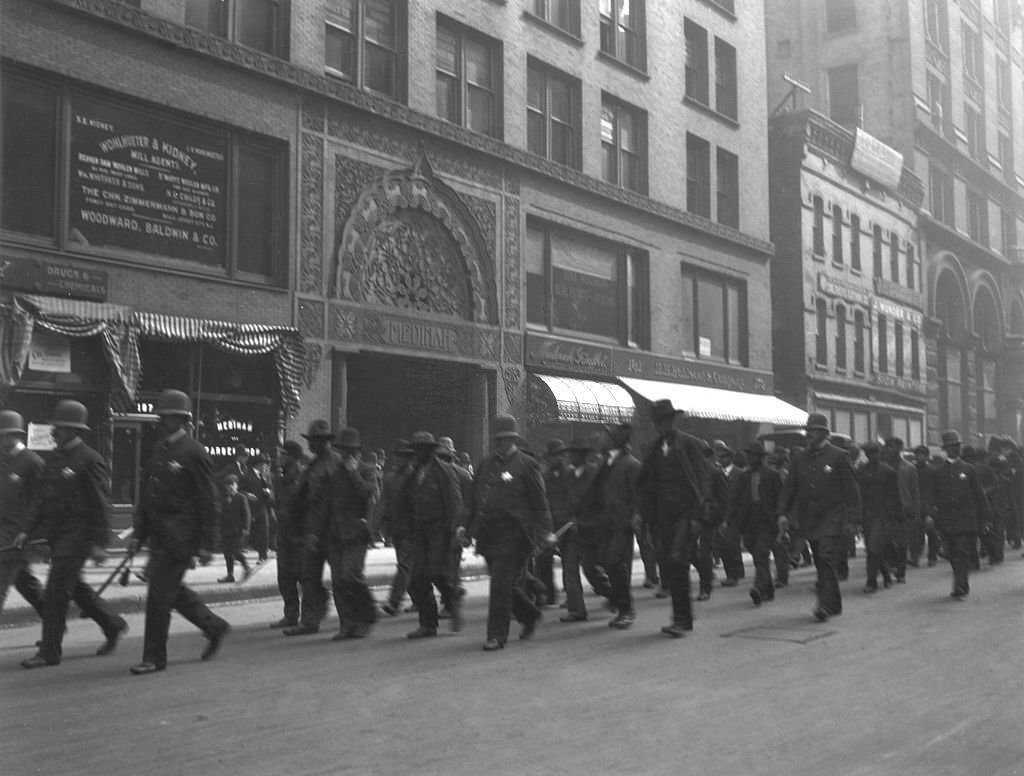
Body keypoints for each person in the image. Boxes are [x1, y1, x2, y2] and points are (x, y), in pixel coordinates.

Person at [126, 390, 230, 674]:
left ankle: (154, 658)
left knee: (159, 597)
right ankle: (214, 626)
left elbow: (208, 501)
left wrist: (207, 544)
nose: (162, 421)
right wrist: (139, 534)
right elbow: (149, 498)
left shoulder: (194, 453)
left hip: (182, 538)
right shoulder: (160, 451)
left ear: (182, 419)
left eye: (169, 417)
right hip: (160, 537)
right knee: (170, 591)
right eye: (162, 416)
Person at [20, 401, 127, 669]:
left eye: (61, 428)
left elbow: (101, 505)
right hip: (58, 536)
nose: (55, 432)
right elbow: (42, 502)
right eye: (56, 427)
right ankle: (112, 624)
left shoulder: (90, 460)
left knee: (56, 592)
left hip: (78, 538)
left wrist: (101, 544)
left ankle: (49, 652)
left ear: (75, 430)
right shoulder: (54, 459)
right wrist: (29, 531)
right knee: (76, 589)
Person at [466, 415, 555, 651]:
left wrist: (545, 531)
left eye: (506, 439)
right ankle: (529, 615)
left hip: (515, 534)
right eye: (498, 440)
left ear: (514, 439)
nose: (501, 444)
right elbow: (474, 498)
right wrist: (463, 526)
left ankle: (496, 635)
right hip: (488, 534)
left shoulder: (526, 465)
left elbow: (539, 501)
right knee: (505, 584)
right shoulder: (486, 465)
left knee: (500, 585)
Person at [777, 413, 860, 622]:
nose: (809, 435)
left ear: (824, 433)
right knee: (822, 562)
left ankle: (824, 604)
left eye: (814, 431)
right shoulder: (799, 459)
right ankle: (833, 603)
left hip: (833, 516)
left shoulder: (839, 457)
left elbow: (851, 490)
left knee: (825, 556)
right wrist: (783, 513)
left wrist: (852, 520)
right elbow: (789, 488)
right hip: (810, 519)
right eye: (808, 431)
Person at [638, 399, 710, 638]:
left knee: (678, 561)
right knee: (669, 564)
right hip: (662, 516)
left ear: (673, 421)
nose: (662, 426)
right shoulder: (653, 449)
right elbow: (646, 485)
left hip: (685, 513)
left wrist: (699, 516)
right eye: (659, 422)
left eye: (666, 421)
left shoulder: (689, 444)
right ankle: (681, 617)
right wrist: (644, 516)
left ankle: (682, 619)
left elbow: (702, 481)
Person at [307, 426, 379, 640]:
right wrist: (315, 532)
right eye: (344, 450)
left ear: (358, 451)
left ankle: (366, 616)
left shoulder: (367, 469)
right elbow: (325, 505)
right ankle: (347, 623)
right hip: (335, 532)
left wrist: (353, 471)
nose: (347, 454)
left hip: (357, 532)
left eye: (351, 450)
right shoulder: (335, 473)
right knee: (339, 581)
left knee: (351, 576)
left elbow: (367, 493)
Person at [404, 431, 463, 639]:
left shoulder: (443, 471)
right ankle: (428, 624)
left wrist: (455, 531)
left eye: (422, 450)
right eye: (416, 450)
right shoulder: (414, 473)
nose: (418, 454)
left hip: (440, 531)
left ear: (430, 451)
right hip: (421, 532)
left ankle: (451, 601)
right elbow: (408, 502)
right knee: (417, 579)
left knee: (437, 574)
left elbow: (454, 503)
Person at [585, 423, 641, 629]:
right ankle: (617, 599)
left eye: (605, 435)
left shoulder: (631, 465)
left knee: (616, 562)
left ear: (615, 441)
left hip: (622, 524)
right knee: (603, 562)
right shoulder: (606, 464)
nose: (600, 438)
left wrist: (636, 517)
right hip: (604, 523)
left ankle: (626, 610)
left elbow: (639, 496)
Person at [283, 420, 335, 637]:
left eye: (313, 441)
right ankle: (310, 621)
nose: (310, 445)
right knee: (309, 576)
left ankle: (352, 620)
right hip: (312, 530)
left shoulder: (334, 464)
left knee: (343, 578)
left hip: (332, 530)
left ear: (323, 442)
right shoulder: (313, 466)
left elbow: (337, 499)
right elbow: (301, 497)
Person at [926, 431, 991, 600]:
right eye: (950, 447)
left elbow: (979, 495)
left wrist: (985, 517)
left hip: (965, 520)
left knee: (962, 552)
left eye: (956, 446)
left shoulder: (969, 470)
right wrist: (930, 514)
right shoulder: (938, 471)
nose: (954, 449)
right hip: (946, 520)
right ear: (945, 449)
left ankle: (960, 586)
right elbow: (932, 495)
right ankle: (961, 581)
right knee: (952, 553)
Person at [557, 437, 612, 623]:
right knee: (569, 569)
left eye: (574, 454)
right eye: (569, 453)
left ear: (583, 455)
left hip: (592, 530)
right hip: (572, 531)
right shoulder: (568, 475)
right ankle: (577, 610)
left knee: (591, 569)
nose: (570, 457)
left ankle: (613, 595)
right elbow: (564, 502)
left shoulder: (595, 473)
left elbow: (603, 502)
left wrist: (589, 521)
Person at [0, 410, 45, 617]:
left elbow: (39, 501)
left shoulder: (32, 462)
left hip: (17, 535)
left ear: (14, 436)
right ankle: (54, 622)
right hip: (3, 532)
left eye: (3, 435)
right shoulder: (3, 460)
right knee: (26, 584)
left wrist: (27, 531)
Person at [728, 441, 783, 606]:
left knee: (761, 555)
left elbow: (780, 498)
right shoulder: (743, 477)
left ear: (760, 458)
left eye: (753, 455)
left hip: (766, 521)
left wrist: (781, 517)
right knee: (755, 552)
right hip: (749, 521)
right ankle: (768, 588)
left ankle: (758, 588)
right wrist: (730, 519)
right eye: (749, 455)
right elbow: (735, 500)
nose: (750, 458)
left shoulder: (772, 475)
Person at [271, 440, 307, 628]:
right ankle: (291, 614)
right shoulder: (279, 479)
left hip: (300, 535)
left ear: (293, 458)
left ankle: (310, 615)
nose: (280, 458)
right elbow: (278, 503)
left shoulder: (302, 477)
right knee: (285, 578)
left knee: (303, 576)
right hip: (285, 534)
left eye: (283, 455)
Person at [857, 442, 900, 593]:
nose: (873, 455)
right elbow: (858, 495)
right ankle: (886, 573)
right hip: (868, 515)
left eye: (875, 452)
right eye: (870, 453)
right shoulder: (862, 471)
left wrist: (896, 518)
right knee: (873, 548)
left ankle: (871, 581)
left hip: (884, 515)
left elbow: (895, 496)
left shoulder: (888, 471)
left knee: (875, 548)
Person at [379, 439, 416, 617]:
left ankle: (394, 601)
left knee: (404, 566)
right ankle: (418, 600)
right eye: (397, 456)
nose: (398, 460)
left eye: (402, 457)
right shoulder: (390, 478)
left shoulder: (416, 477)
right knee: (411, 567)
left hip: (412, 528)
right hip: (397, 528)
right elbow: (384, 503)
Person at [883, 437, 919, 583]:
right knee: (887, 541)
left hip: (904, 508)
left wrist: (915, 511)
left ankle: (901, 571)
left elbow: (915, 491)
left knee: (902, 542)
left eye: (895, 447)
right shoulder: (883, 466)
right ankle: (892, 565)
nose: (892, 449)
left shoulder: (909, 468)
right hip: (887, 509)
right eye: (889, 446)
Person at [711, 441, 745, 589]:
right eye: (720, 457)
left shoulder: (739, 474)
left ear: (730, 458)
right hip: (720, 514)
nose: (721, 460)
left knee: (732, 544)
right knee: (723, 546)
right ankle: (731, 573)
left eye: (724, 457)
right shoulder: (717, 474)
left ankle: (735, 574)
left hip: (735, 515)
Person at [218, 474, 252, 583]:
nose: (230, 487)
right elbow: (221, 514)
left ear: (236, 485)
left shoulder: (241, 497)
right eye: (228, 485)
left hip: (238, 530)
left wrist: (246, 527)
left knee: (236, 551)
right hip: (226, 530)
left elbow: (246, 514)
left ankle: (246, 567)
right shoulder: (223, 499)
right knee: (227, 553)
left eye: (232, 484)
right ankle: (230, 574)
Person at [911, 445, 939, 566]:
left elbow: (936, 489)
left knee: (931, 532)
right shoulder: (912, 469)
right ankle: (915, 555)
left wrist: (934, 505)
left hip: (929, 505)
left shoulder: (932, 471)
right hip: (916, 505)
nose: (919, 457)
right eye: (918, 455)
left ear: (927, 456)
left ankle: (932, 556)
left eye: (922, 455)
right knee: (916, 532)